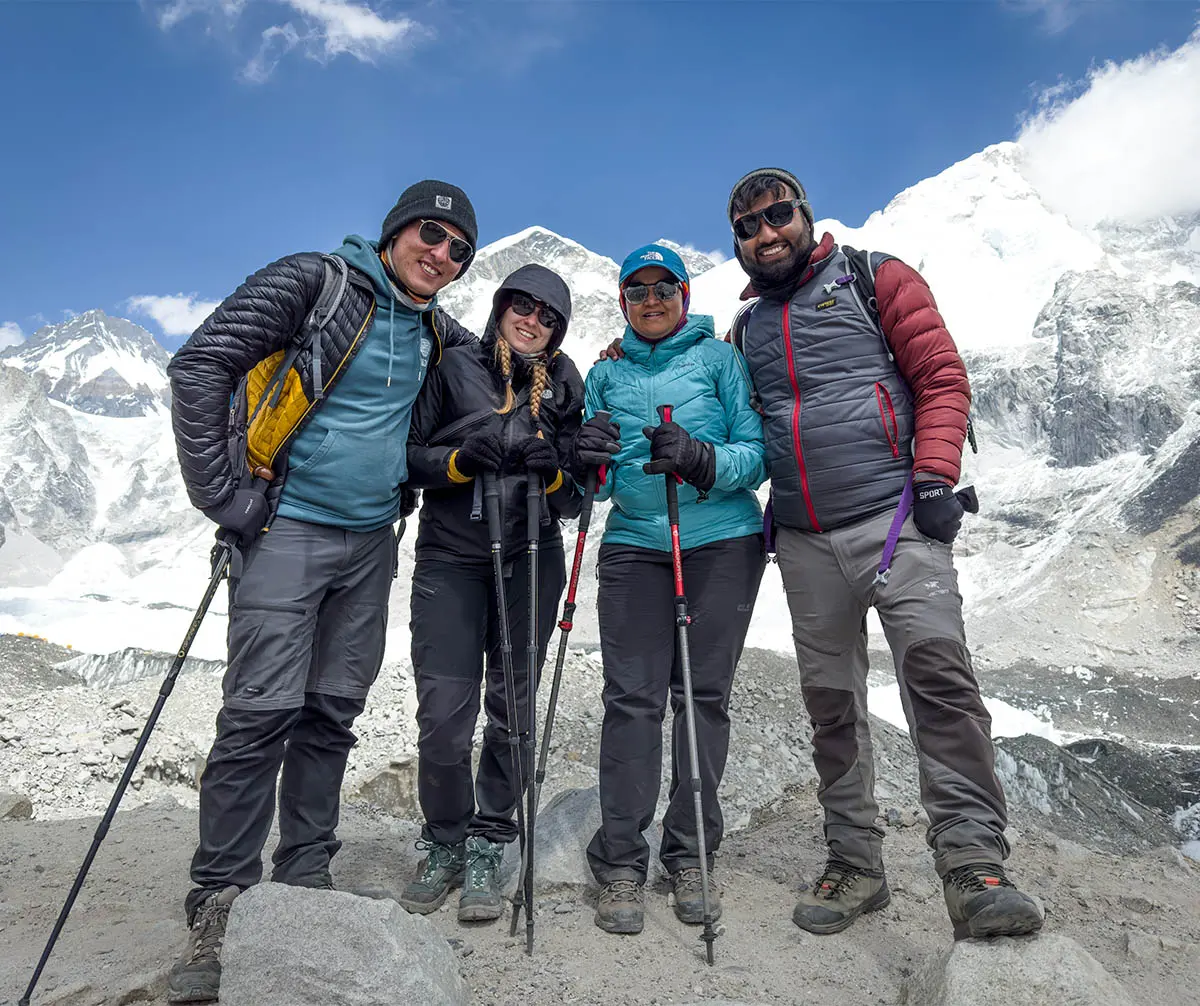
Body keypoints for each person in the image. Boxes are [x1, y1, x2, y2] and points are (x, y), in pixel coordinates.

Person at [165, 180, 478, 1002]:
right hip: (287, 530)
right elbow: (200, 363)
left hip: (373, 540)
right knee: (258, 714)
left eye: (458, 250)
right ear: (395, 231)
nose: (440, 255)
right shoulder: (316, 281)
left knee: (331, 712)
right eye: (430, 234)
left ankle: (303, 878)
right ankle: (221, 904)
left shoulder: (437, 333)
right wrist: (226, 499)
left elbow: (510, 366)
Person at [725, 167, 1042, 940]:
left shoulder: (876, 277)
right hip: (802, 540)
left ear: (805, 214)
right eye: (749, 226)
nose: (768, 233)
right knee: (832, 708)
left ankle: (974, 866)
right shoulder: (745, 331)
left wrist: (935, 477)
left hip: (897, 520)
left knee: (938, 681)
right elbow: (726, 412)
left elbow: (939, 373)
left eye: (779, 215)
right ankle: (856, 865)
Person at [578, 243, 767, 936]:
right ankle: (622, 861)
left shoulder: (722, 360)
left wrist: (702, 458)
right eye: (638, 291)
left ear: (685, 295)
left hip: (720, 541)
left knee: (702, 697)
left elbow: (758, 453)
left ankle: (690, 853)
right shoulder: (605, 372)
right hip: (633, 547)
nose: (651, 301)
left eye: (665, 289)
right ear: (622, 300)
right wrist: (588, 458)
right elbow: (594, 487)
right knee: (630, 701)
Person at [399, 264, 584, 922]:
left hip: (532, 557)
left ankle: (489, 841)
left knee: (511, 713)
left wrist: (555, 473)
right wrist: (458, 460)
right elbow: (409, 454)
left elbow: (580, 494)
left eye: (548, 314)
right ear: (502, 305)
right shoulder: (452, 367)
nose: (532, 319)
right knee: (443, 716)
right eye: (522, 305)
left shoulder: (566, 381)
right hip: (452, 557)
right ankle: (445, 840)